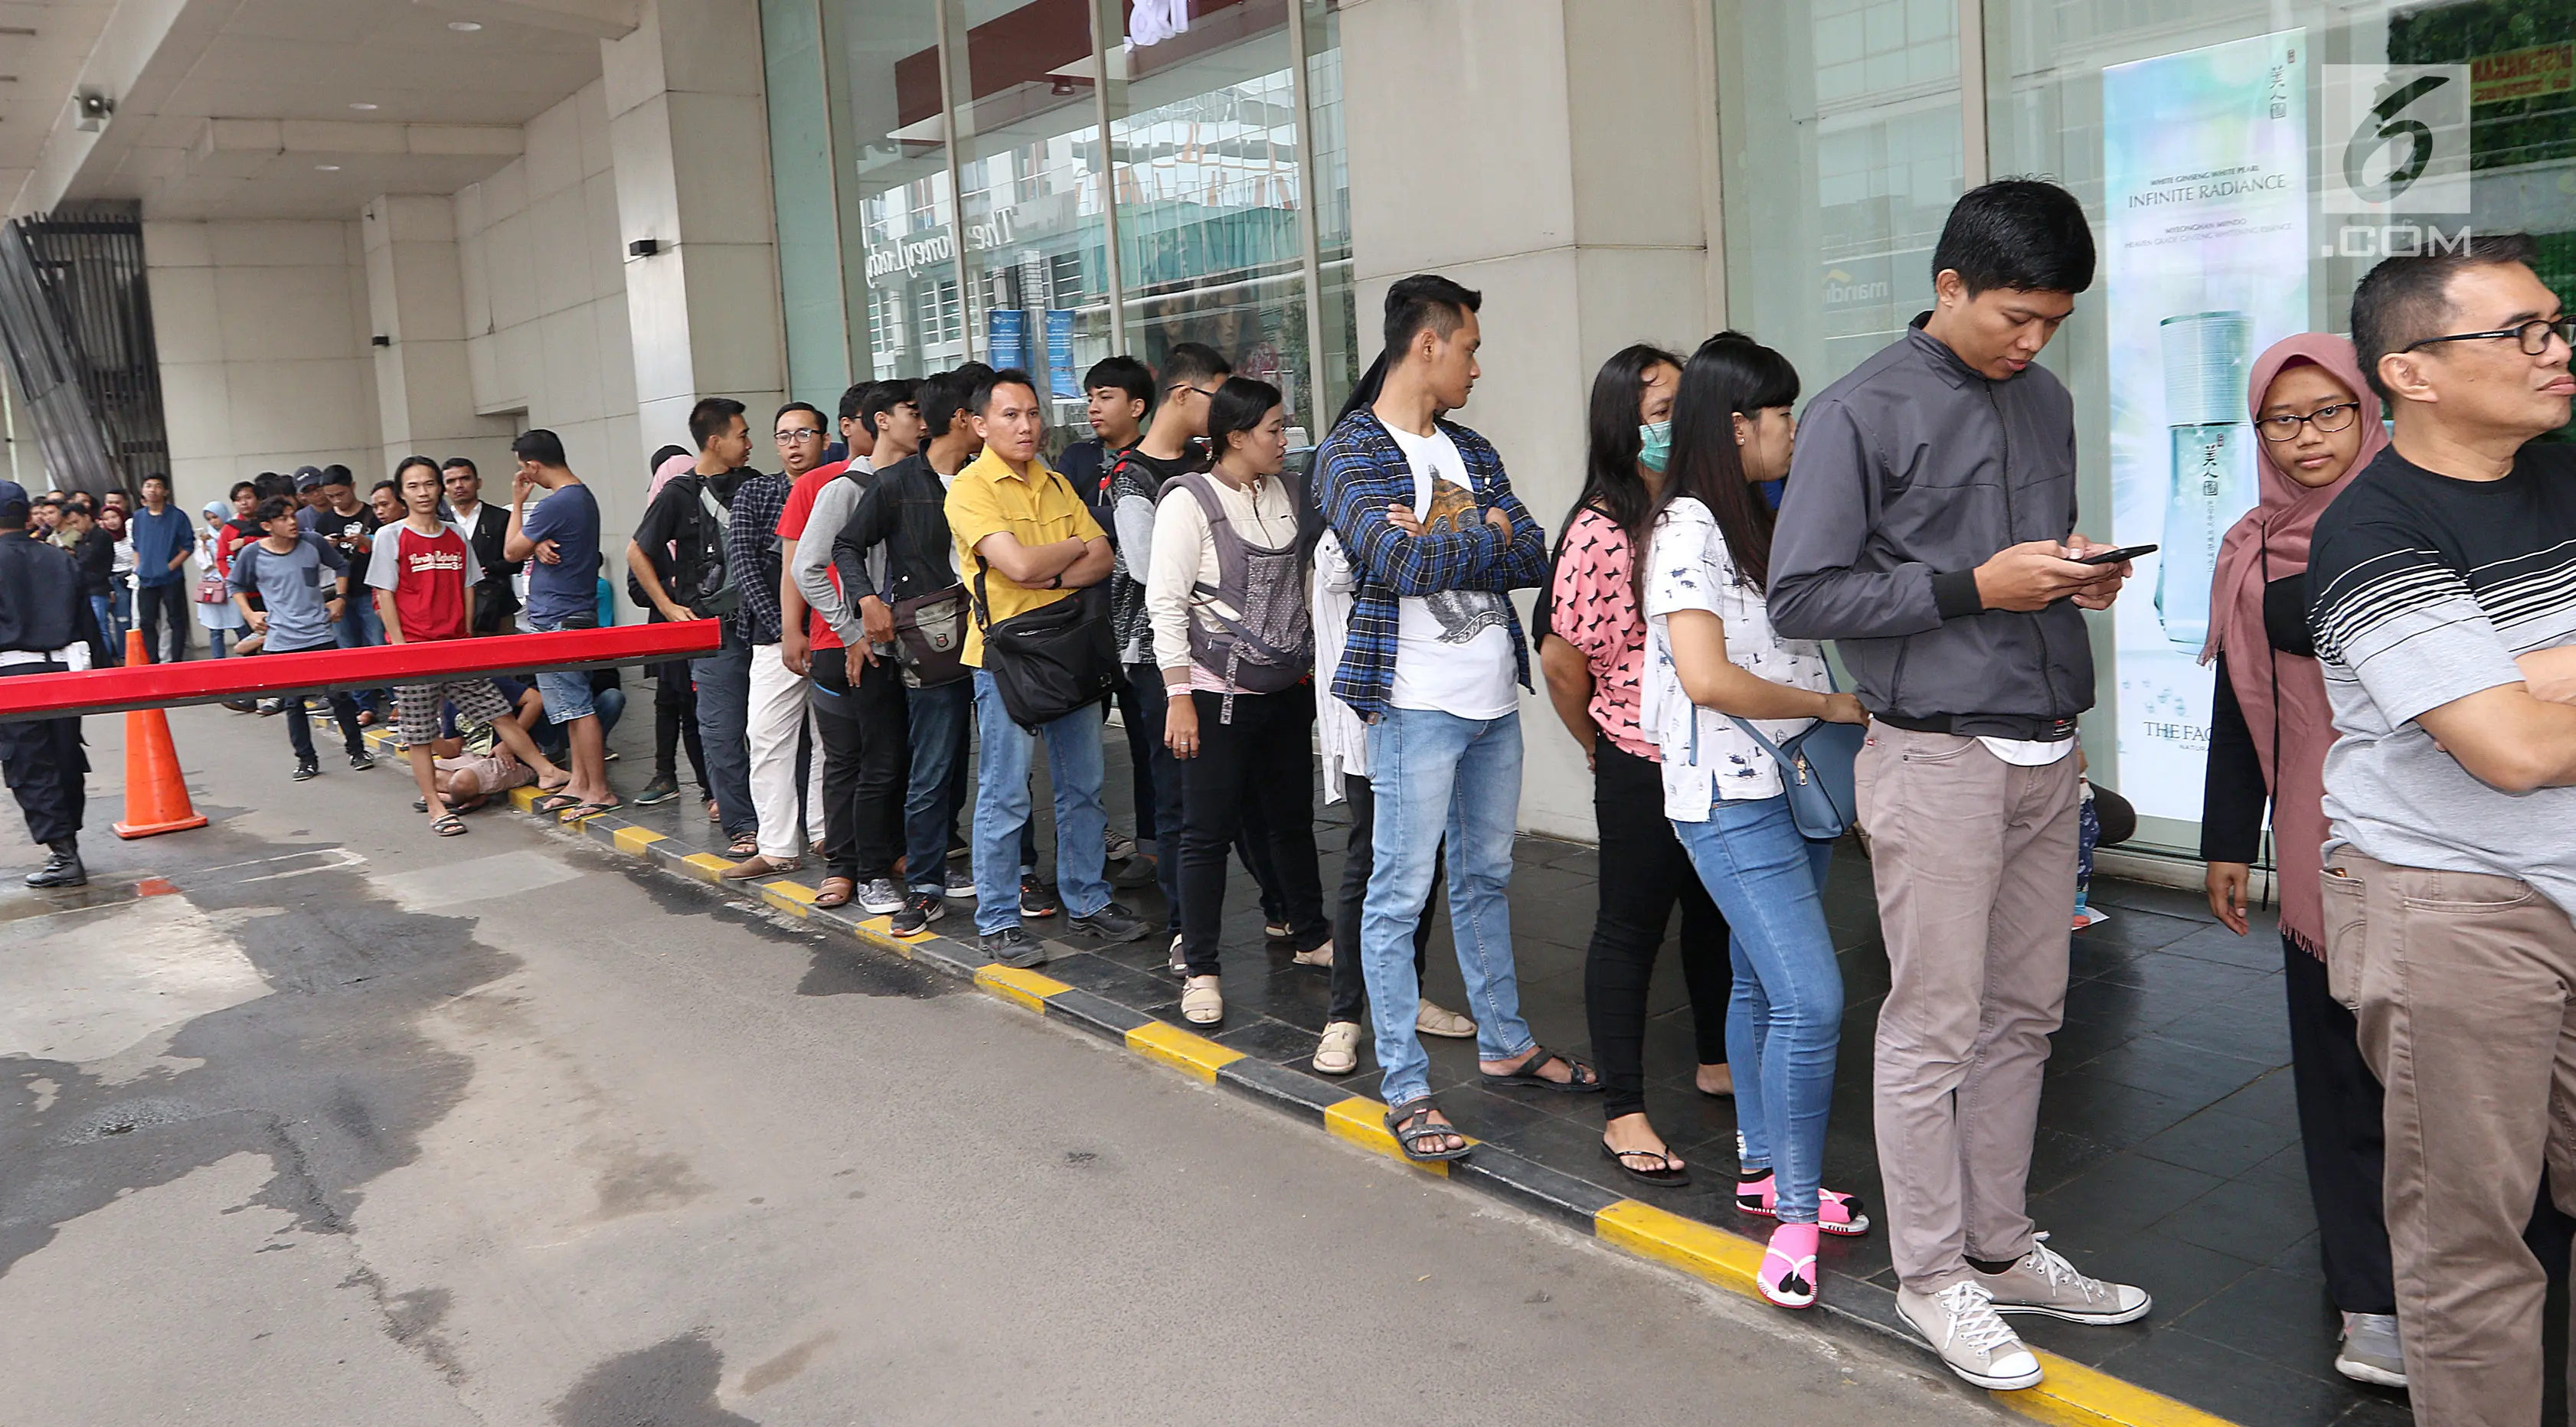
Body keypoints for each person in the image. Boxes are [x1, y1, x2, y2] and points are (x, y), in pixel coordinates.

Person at [1768, 178, 2147, 1389]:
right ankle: (1932, 1276)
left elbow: (2034, 557)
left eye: (2053, 323)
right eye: (2017, 318)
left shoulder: (2047, 403)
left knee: (2027, 1016)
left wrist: (2083, 577)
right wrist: (1972, 588)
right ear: (1950, 287)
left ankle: (1999, 1247)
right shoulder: (1855, 413)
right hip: (1933, 753)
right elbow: (1803, 597)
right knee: (1932, 1025)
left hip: (2049, 743)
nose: (2033, 343)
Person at [2307, 233, 2576, 1424]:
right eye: (2518, 332)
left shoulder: (2563, 474)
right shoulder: (2371, 533)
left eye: (2556, 324)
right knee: (2473, 1239)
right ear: (2410, 371)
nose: (2554, 350)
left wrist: (2521, 672)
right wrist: (2512, 695)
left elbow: (2518, 714)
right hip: (2454, 901)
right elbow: (2510, 751)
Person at [1316, 274, 1590, 1167]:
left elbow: (1533, 548)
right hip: (1412, 702)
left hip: (1487, 698)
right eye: (1468, 345)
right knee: (1397, 893)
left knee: (1485, 877)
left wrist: (1446, 538)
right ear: (1426, 343)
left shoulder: (1469, 445)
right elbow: (1389, 554)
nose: (1478, 363)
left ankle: (1504, 1039)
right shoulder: (1349, 451)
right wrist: (1473, 537)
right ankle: (1403, 1082)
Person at [2189, 334, 2403, 1387]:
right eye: (2285, 419)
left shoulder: (2415, 518)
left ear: (2369, 411)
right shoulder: (2251, 543)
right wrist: (2232, 839)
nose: (2308, 438)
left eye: (2328, 413)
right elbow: (2243, 695)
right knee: (2338, 1080)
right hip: (2322, 851)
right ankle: (2370, 1295)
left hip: (2438, 847)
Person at [1643, 331, 1872, 1309]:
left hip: (1788, 787)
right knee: (1813, 1001)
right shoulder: (1689, 529)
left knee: (1757, 980)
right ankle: (1789, 1213)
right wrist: (1829, 708)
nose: (1793, 429)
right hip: (1731, 795)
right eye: (1782, 414)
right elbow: (1704, 678)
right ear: (1739, 424)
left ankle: (1759, 1164)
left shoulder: (1751, 520)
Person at [1535, 343, 1737, 1184]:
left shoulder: (1701, 508)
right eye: (1660, 413)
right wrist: (1600, 746)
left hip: (1713, 752)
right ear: (1623, 425)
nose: (1676, 427)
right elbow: (1560, 662)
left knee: (1713, 914)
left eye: (1683, 410)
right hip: (1640, 757)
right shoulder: (1599, 528)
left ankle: (1717, 1061)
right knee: (1629, 928)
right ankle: (1625, 1111)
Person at [946, 367, 1151, 965]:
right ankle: (999, 919)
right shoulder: (970, 488)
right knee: (1006, 794)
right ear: (980, 425)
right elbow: (1015, 566)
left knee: (1082, 787)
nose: (1026, 425)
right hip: (1005, 658)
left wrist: (1047, 568)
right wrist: (1062, 560)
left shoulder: (1057, 484)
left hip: (1069, 650)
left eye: (1032, 413)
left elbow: (1104, 557)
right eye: (1010, 415)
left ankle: (1088, 900)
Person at [1149, 377, 1329, 1026]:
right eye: (1274, 430)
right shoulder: (1188, 503)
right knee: (1206, 834)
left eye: (1286, 428)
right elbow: (1164, 606)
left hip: (1285, 693)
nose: (1286, 440)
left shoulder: (1288, 494)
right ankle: (1201, 968)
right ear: (1235, 437)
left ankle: (1308, 934)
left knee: (1290, 824)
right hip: (1213, 695)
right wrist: (1178, 698)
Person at [836, 371, 981, 936]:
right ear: (964, 419)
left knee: (998, 763)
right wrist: (866, 600)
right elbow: (846, 546)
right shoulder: (897, 483)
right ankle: (924, 885)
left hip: (997, 637)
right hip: (933, 641)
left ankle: (1013, 870)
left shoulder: (988, 479)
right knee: (933, 763)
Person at [372, 455, 568, 837]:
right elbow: (384, 593)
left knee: (499, 711)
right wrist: (399, 647)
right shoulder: (390, 536)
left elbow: (468, 588)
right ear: (402, 493)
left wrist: (464, 637)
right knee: (419, 733)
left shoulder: (455, 534)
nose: (423, 492)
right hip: (413, 651)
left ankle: (546, 772)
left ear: (439, 487)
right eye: (413, 486)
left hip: (455, 648)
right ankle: (435, 807)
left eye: (429, 483)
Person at [793, 382, 922, 913]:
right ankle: (857, 870)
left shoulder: (917, 482)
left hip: (911, 647)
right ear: (881, 421)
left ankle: (884, 856)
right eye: (911, 412)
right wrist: (850, 631)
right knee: (866, 760)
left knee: (896, 759)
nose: (922, 421)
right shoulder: (846, 488)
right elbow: (805, 567)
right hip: (862, 650)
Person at [629, 398, 759, 854]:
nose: (749, 443)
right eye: (741, 435)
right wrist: (667, 606)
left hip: (761, 626)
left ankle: (782, 816)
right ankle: (742, 826)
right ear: (715, 441)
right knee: (722, 730)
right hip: (713, 632)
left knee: (768, 728)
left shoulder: (754, 485)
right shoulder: (678, 493)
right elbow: (637, 552)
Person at [718, 403, 829, 879]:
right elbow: (743, 567)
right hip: (772, 639)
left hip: (835, 632)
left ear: (825, 437)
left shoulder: (841, 486)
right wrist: (787, 629)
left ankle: (828, 832)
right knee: (766, 737)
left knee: (834, 742)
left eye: (803, 433)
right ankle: (778, 845)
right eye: (783, 436)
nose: (793, 444)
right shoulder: (756, 493)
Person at [504, 427, 615, 821]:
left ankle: (597, 789)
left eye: (524, 470)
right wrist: (538, 543)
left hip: (558, 618)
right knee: (568, 707)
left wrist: (518, 503)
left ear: (533, 466)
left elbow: (509, 551)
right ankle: (580, 783)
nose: (525, 476)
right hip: (571, 613)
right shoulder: (582, 498)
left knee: (578, 708)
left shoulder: (556, 504)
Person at [228, 495, 374, 780]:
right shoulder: (253, 554)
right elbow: (234, 583)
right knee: (293, 704)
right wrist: (249, 615)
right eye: (283, 518)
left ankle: (357, 751)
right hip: (281, 641)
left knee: (340, 696)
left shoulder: (313, 542)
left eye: (293, 515)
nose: (292, 522)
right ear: (267, 526)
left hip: (319, 633)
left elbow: (341, 566)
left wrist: (340, 598)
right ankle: (306, 760)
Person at [0, 479, 91, 887]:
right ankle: (67, 844)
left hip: (13, 674)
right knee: (65, 756)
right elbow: (85, 621)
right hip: (62, 670)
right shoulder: (60, 558)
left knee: (29, 763)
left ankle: (64, 853)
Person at [634, 444, 712, 812]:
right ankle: (667, 776)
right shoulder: (655, 526)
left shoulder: (704, 523)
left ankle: (710, 788)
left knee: (697, 710)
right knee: (669, 703)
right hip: (666, 631)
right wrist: (669, 595)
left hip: (699, 631)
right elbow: (636, 588)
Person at [314, 465, 386, 722]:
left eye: (341, 494)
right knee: (348, 650)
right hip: (337, 594)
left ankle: (394, 698)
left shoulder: (372, 514)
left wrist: (367, 542)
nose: (336, 501)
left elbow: (389, 548)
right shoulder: (323, 521)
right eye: (331, 496)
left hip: (370, 589)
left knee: (378, 645)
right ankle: (363, 705)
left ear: (353, 487)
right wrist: (325, 546)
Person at [441, 457, 521, 635]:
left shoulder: (501, 518)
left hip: (497, 605)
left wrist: (486, 567)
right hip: (451, 609)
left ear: (478, 483)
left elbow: (516, 562)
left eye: (465, 478)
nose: (459, 485)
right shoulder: (438, 524)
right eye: (451, 481)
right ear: (444, 489)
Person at [129, 473, 191, 661]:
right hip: (146, 578)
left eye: (157, 486)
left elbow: (188, 547)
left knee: (175, 620)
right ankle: (153, 662)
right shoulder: (138, 517)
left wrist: (170, 567)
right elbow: (136, 545)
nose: (152, 490)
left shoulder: (177, 516)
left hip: (171, 578)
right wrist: (138, 568)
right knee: (146, 622)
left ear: (165, 491)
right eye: (148, 486)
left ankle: (176, 660)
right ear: (142, 491)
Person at [59, 499, 117, 661]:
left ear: (86, 516)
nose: (76, 527)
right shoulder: (82, 539)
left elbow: (87, 561)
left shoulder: (100, 536)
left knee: (101, 628)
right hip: (87, 588)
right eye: (72, 524)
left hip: (98, 587)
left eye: (76, 522)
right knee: (94, 628)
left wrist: (73, 557)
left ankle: (106, 662)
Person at [192, 499, 247, 659]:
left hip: (231, 583)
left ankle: (249, 657)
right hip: (213, 586)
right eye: (209, 518)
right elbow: (203, 563)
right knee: (215, 629)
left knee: (240, 624)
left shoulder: (234, 531)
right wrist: (204, 546)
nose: (213, 522)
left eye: (215, 517)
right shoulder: (205, 537)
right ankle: (218, 662)